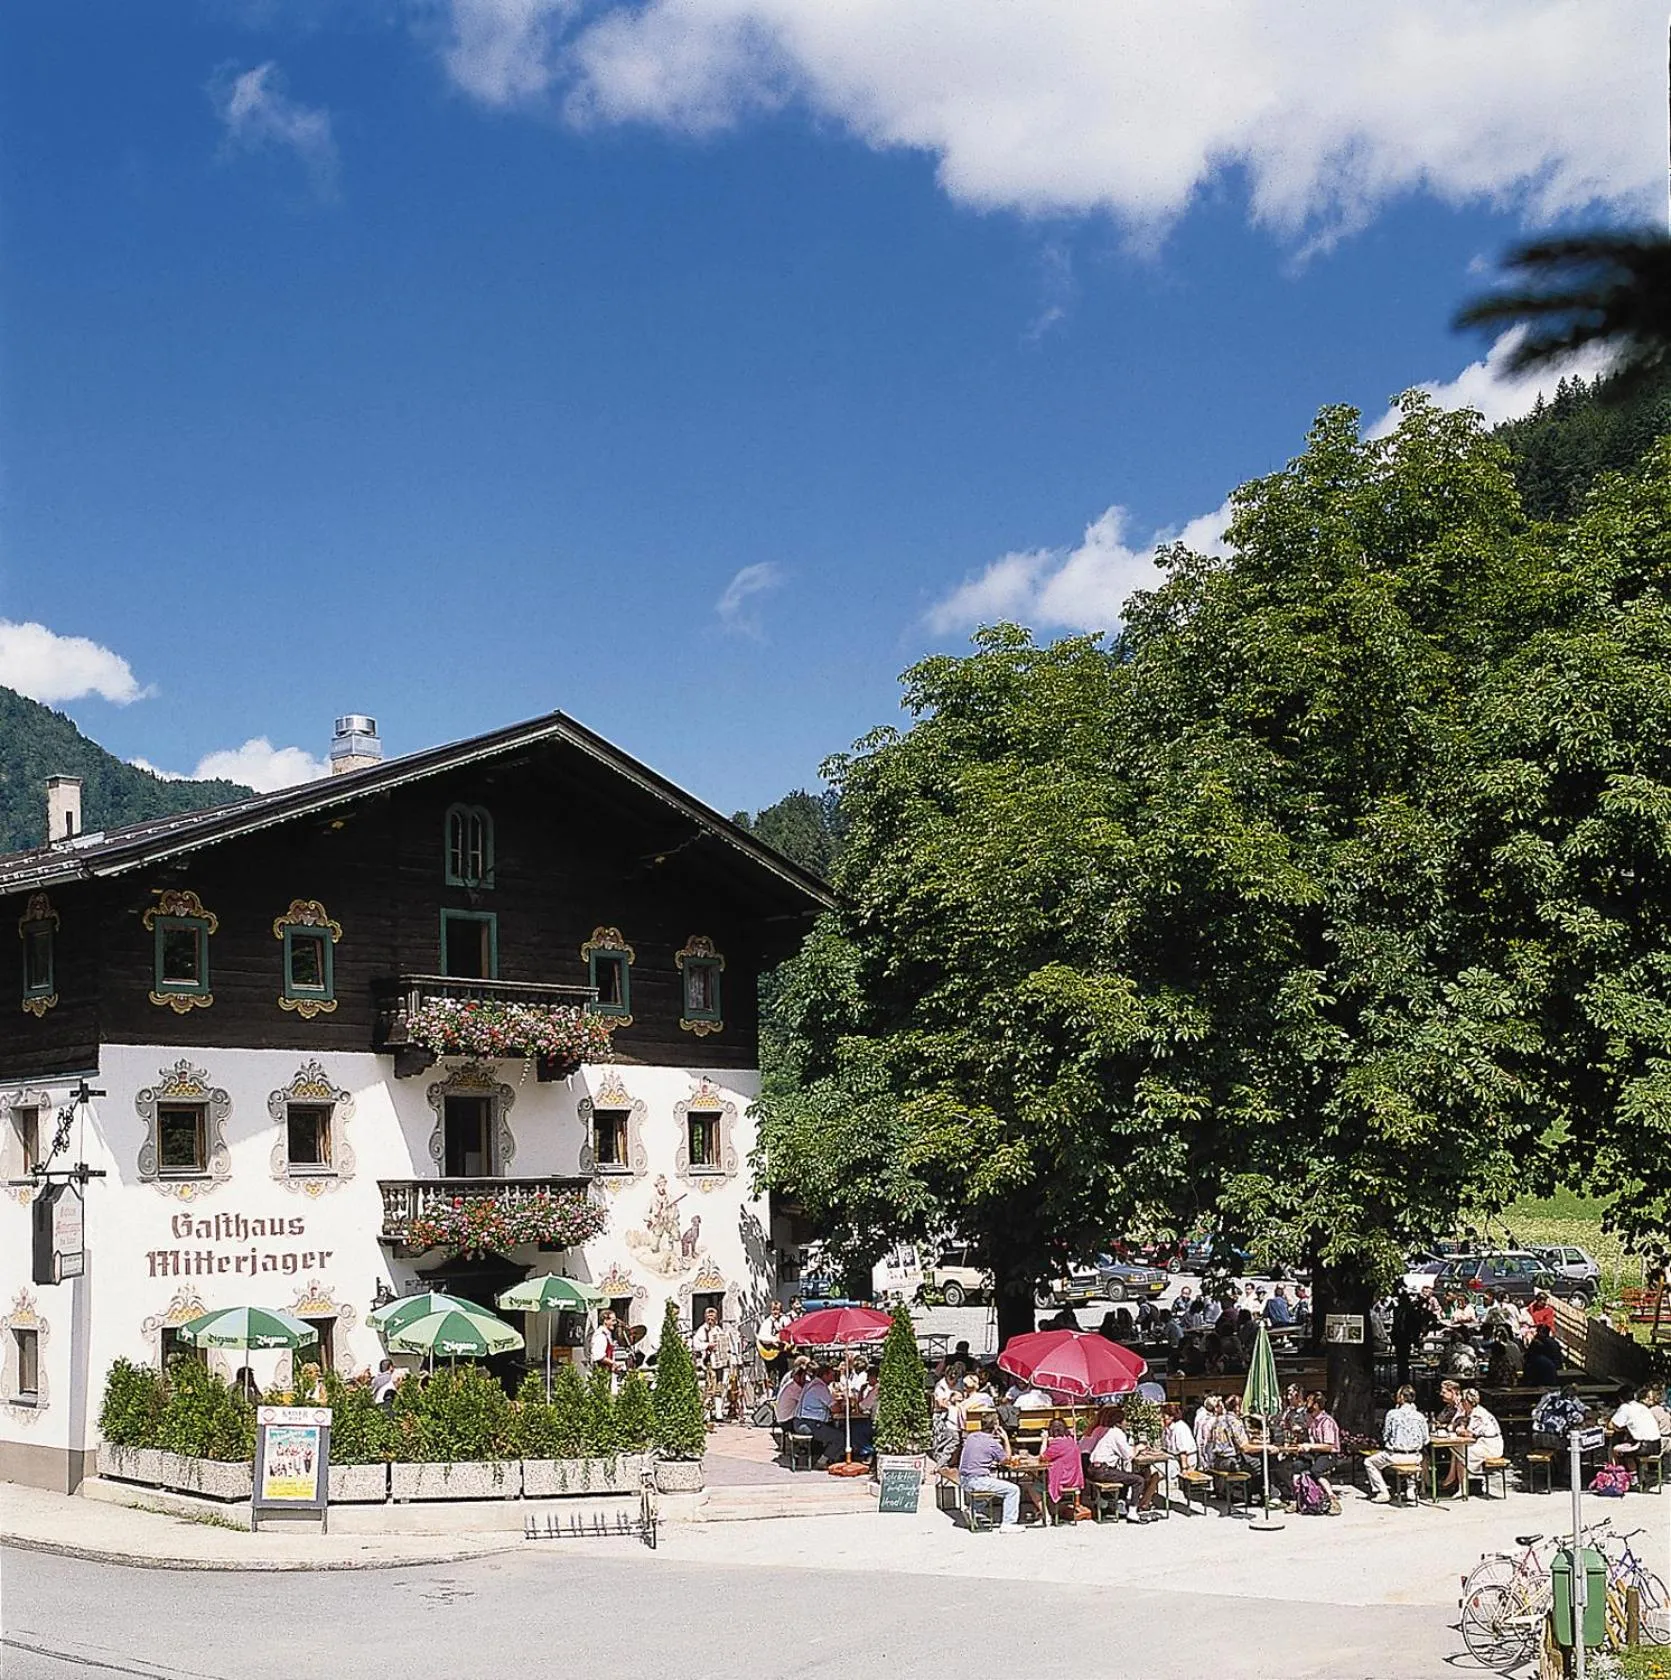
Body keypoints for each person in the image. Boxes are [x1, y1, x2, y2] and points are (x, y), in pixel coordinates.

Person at [1272, 1391, 1343, 1514]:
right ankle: (1297, 1499)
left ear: (1315, 1405)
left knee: (1316, 1471)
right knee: (1296, 1467)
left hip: (1328, 1454)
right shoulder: (1312, 1420)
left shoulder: (1327, 1422)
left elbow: (1329, 1446)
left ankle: (1333, 1500)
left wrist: (1310, 1446)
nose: (1306, 1404)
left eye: (1309, 1402)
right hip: (1314, 1452)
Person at [1087, 1405, 1159, 1521]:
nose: (1127, 1423)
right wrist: (1139, 1447)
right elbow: (1128, 1455)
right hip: (1103, 1470)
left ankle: (1116, 1504)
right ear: (1118, 1422)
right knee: (1138, 1480)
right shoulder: (1117, 1433)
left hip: (1093, 1469)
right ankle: (1132, 1511)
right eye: (1125, 1420)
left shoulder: (1106, 1431)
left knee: (1124, 1475)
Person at [1363, 1386, 1429, 1503]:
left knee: (1369, 1462)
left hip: (1396, 1455)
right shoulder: (1420, 1416)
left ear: (1401, 1398)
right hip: (1415, 1456)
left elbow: (1385, 1435)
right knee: (1417, 1459)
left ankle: (1382, 1491)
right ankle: (1411, 1488)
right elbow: (1425, 1440)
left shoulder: (1392, 1414)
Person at [957, 1414, 1021, 1531]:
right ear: (996, 1426)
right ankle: (1008, 1523)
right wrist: (1005, 1439)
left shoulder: (972, 1436)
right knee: (1013, 1490)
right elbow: (1006, 1460)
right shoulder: (992, 1443)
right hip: (977, 1480)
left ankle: (973, 1510)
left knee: (992, 1486)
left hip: (963, 1478)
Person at [1441, 1388, 1503, 1496]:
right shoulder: (1470, 1412)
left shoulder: (1478, 1414)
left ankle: (1458, 1485)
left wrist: (1459, 1430)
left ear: (1467, 1402)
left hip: (1491, 1446)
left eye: (1463, 1402)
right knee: (1458, 1451)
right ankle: (1457, 1483)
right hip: (1483, 1443)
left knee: (1460, 1452)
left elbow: (1470, 1434)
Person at [690, 1306, 735, 1424]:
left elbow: (724, 1343)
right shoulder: (702, 1330)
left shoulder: (719, 1330)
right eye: (709, 1317)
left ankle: (719, 1414)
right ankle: (706, 1415)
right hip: (708, 1363)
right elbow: (695, 1344)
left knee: (719, 1389)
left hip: (720, 1363)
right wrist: (707, 1345)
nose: (711, 1320)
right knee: (709, 1389)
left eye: (713, 1317)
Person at [1039, 1418, 1087, 1516]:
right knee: (1040, 1480)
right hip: (1074, 1479)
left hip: (1063, 1480)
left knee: (1033, 1487)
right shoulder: (1070, 1441)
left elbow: (1042, 1457)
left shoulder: (1057, 1444)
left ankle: (1045, 1514)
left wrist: (1044, 1440)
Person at [795, 1363, 840, 1464]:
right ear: (824, 1375)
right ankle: (822, 1462)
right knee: (839, 1437)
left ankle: (831, 1456)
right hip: (808, 1424)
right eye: (831, 1375)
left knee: (832, 1429)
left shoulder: (810, 1384)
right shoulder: (820, 1388)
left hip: (799, 1422)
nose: (833, 1379)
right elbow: (835, 1409)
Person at [1609, 1386, 1664, 1468]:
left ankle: (1629, 1476)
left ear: (1620, 1399)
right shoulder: (1642, 1407)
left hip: (1643, 1446)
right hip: (1657, 1445)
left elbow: (1611, 1425)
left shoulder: (1625, 1407)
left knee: (1616, 1450)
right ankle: (1639, 1475)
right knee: (1628, 1445)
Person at [756, 1304, 788, 1390]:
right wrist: (774, 1340)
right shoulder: (767, 1322)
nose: (776, 1312)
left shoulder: (784, 1320)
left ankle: (782, 1389)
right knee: (772, 1374)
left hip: (781, 1352)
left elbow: (789, 1331)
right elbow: (761, 1337)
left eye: (777, 1310)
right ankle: (772, 1392)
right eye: (774, 1310)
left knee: (784, 1370)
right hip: (770, 1352)